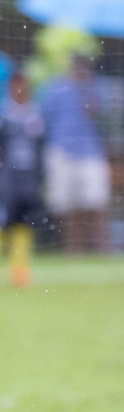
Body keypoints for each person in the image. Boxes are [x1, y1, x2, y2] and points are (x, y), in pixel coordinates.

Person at [38, 52, 111, 254]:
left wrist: (85, 90)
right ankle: (73, 250)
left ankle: (104, 249)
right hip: (62, 150)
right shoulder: (55, 87)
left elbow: (98, 113)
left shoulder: (95, 85)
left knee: (97, 202)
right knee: (68, 207)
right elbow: (43, 117)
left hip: (90, 151)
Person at [0, 58, 46, 287]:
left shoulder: (36, 116)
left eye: (24, 84)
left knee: (24, 223)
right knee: (4, 221)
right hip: (7, 179)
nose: (20, 88)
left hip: (28, 180)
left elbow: (42, 149)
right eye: (16, 84)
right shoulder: (4, 115)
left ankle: (19, 270)